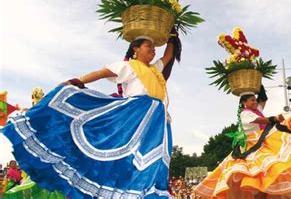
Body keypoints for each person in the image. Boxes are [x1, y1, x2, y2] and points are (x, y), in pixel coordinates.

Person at [2, 35, 177, 198]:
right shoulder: (129, 66)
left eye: (154, 47)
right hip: (134, 116)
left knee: (152, 162)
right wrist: (77, 81)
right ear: (135, 50)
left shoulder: (155, 70)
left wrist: (172, 35)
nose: (153, 50)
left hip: (158, 123)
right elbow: (101, 73)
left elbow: (168, 55)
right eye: (149, 46)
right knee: (118, 157)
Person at [194, 87, 291, 198]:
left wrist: (259, 84)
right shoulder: (245, 114)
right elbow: (262, 120)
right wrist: (276, 118)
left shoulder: (256, 108)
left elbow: (263, 99)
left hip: (262, 144)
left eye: (255, 99)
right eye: (252, 100)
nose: (255, 102)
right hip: (251, 147)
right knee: (255, 178)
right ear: (244, 102)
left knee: (274, 171)